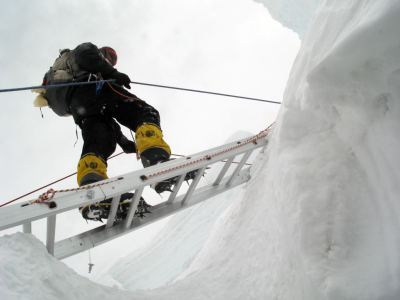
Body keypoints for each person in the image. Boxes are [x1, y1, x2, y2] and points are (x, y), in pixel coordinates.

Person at [69, 42, 172, 189]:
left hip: (80, 105)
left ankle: (91, 181)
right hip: (94, 87)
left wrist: (123, 141)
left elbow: (108, 121)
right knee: (144, 112)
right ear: (102, 52)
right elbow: (86, 56)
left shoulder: (73, 73)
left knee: (100, 137)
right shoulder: (88, 50)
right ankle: (155, 157)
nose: (112, 61)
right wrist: (114, 74)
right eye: (111, 57)